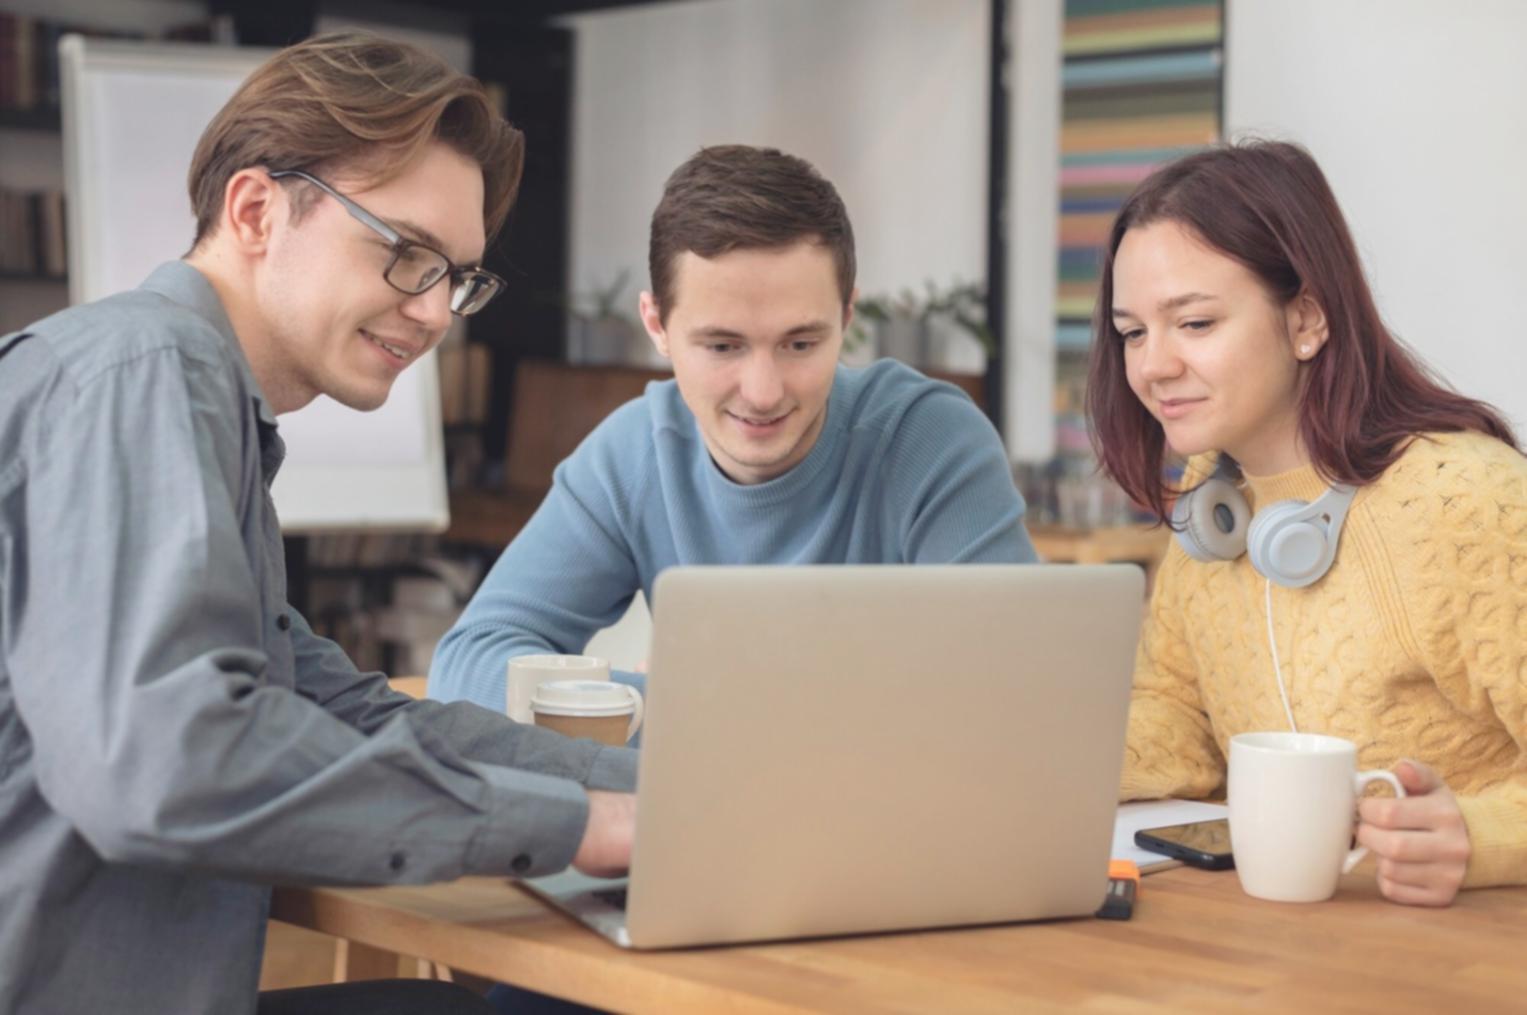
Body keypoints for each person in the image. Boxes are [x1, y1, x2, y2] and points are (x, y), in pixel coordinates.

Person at [0, 33, 636, 1015]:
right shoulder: (145, 376)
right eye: (406, 254)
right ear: (256, 210)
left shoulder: (189, 401)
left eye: (455, 276)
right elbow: (171, 761)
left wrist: (648, 785)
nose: (434, 315)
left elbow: (350, 711)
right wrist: (580, 827)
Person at [431, 144, 1038, 711]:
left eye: (800, 342)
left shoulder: (930, 439)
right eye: (722, 346)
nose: (764, 391)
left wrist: (707, 703)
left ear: (847, 315)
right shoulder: (633, 456)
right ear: (657, 325)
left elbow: (1017, 679)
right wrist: (657, 700)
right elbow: (470, 664)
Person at [1088, 139, 1527, 906]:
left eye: (1192, 323)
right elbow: (1179, 720)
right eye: (1132, 332)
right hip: (1284, 948)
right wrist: (1035, 753)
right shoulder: (1211, 497)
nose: (1150, 366)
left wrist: (1482, 833)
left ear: (1306, 319)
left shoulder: (1465, 498)